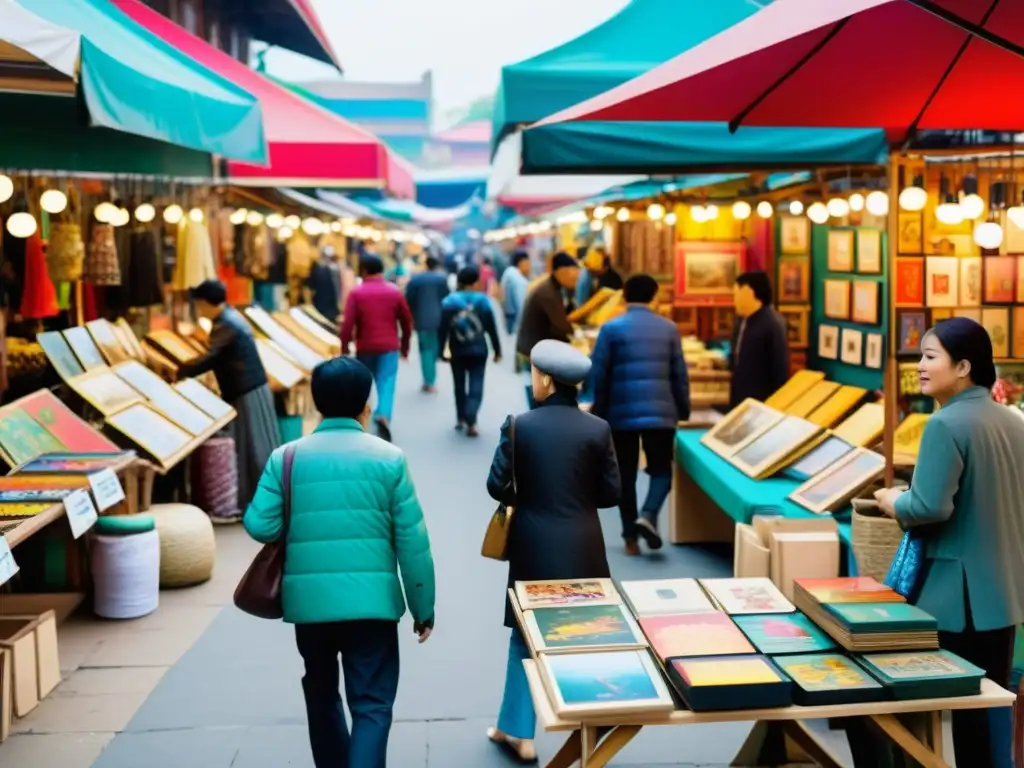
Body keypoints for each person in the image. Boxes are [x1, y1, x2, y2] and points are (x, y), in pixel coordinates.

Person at [244, 357, 435, 768]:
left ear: (316, 403)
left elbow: (260, 523)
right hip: (372, 609)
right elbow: (413, 543)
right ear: (366, 405)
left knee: (321, 690)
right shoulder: (389, 459)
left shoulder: (287, 457)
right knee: (372, 704)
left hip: (310, 606)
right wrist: (423, 608)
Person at [871, 318, 1024, 768]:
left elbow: (928, 508)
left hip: (955, 599)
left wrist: (892, 500)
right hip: (1004, 591)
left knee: (921, 713)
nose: (919, 365)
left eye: (929, 356)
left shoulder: (945, 424)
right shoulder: (1012, 421)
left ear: (962, 366)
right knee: (989, 707)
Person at [485, 339, 621, 763]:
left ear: (544, 378)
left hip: (533, 544)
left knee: (524, 638)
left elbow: (495, 485)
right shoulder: (597, 428)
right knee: (584, 633)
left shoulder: (519, 425)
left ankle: (519, 733)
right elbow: (611, 493)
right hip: (584, 543)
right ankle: (588, 728)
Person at [583, 274, 691, 556]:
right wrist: (683, 407)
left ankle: (630, 537)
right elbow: (679, 374)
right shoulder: (669, 329)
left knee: (625, 475)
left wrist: (598, 409)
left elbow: (598, 372)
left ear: (625, 296)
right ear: (654, 296)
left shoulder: (611, 329)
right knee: (662, 471)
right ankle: (649, 513)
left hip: (621, 413)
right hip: (661, 412)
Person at [180, 280, 281, 509]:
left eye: (199, 304)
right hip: (250, 386)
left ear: (206, 303)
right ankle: (260, 498)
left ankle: (262, 499)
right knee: (253, 443)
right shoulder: (230, 317)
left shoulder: (225, 324)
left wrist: (180, 370)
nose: (199, 309)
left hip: (246, 388)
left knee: (252, 444)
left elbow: (210, 357)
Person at [340, 254, 413, 441]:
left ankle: (361, 420)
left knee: (364, 384)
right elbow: (406, 321)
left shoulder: (357, 293)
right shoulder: (394, 292)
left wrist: (345, 348)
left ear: (363, 270)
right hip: (389, 347)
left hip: (365, 347)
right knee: (386, 381)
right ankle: (383, 415)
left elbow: (347, 323)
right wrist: (405, 347)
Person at [438, 266, 502, 437]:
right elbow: (491, 328)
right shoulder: (483, 301)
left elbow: (442, 328)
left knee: (459, 385)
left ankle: (460, 418)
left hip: (457, 349)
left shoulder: (449, 302)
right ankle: (471, 420)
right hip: (479, 349)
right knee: (476, 383)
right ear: (476, 282)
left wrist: (440, 350)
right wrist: (497, 350)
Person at [515, 252, 579, 408]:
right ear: (560, 271)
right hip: (535, 352)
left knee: (543, 394)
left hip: (538, 349)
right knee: (541, 397)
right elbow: (562, 326)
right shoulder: (548, 293)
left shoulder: (554, 288)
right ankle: (538, 426)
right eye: (573, 273)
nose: (576, 278)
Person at [729, 270, 790, 407]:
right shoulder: (741, 320)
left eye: (736, 294)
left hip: (762, 402)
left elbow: (779, 369)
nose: (734, 300)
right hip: (740, 399)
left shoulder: (773, 324)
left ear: (748, 292)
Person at [404, 256, 450, 393]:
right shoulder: (441, 280)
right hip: (439, 320)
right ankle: (430, 380)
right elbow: (447, 299)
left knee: (425, 350)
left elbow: (408, 298)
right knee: (433, 349)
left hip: (421, 319)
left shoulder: (417, 279)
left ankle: (428, 380)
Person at [306, 246, 342, 323]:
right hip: (331, 307)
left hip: (320, 306)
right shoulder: (336, 270)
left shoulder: (318, 269)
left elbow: (310, 287)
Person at [499, 252, 532, 335]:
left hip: (508, 317)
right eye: (528, 263)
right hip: (516, 321)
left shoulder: (509, 273)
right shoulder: (518, 280)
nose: (530, 267)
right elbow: (521, 305)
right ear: (521, 262)